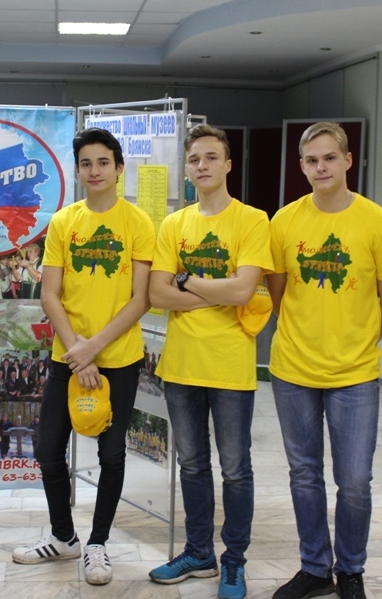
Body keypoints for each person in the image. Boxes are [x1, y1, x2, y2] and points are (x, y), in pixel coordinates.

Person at [266, 122, 382, 599]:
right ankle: (314, 568)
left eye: (329, 158)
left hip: (355, 374)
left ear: (347, 161)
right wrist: (307, 334)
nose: (320, 167)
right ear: (302, 166)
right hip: (293, 371)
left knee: (355, 481)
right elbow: (278, 294)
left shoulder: (378, 223)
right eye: (311, 160)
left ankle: (350, 570)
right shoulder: (285, 221)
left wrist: (358, 338)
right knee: (304, 475)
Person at [12, 127, 153, 585]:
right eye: (86, 164)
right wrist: (78, 350)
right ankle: (64, 537)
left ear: (119, 168)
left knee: (111, 453)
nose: (94, 171)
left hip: (119, 358)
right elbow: (49, 294)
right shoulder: (63, 222)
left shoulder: (138, 222)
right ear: (77, 170)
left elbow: (140, 299)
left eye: (103, 163)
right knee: (47, 449)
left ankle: (97, 544)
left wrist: (93, 348)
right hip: (68, 357)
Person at [147, 124, 272, 599]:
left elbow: (244, 291)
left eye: (211, 157)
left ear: (228, 164)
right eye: (195, 159)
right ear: (187, 169)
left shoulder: (252, 221)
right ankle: (199, 552)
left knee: (235, 469)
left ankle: (233, 560)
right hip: (182, 364)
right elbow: (157, 294)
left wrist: (186, 281)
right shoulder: (174, 225)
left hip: (230, 365)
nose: (202, 166)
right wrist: (216, 291)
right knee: (193, 465)